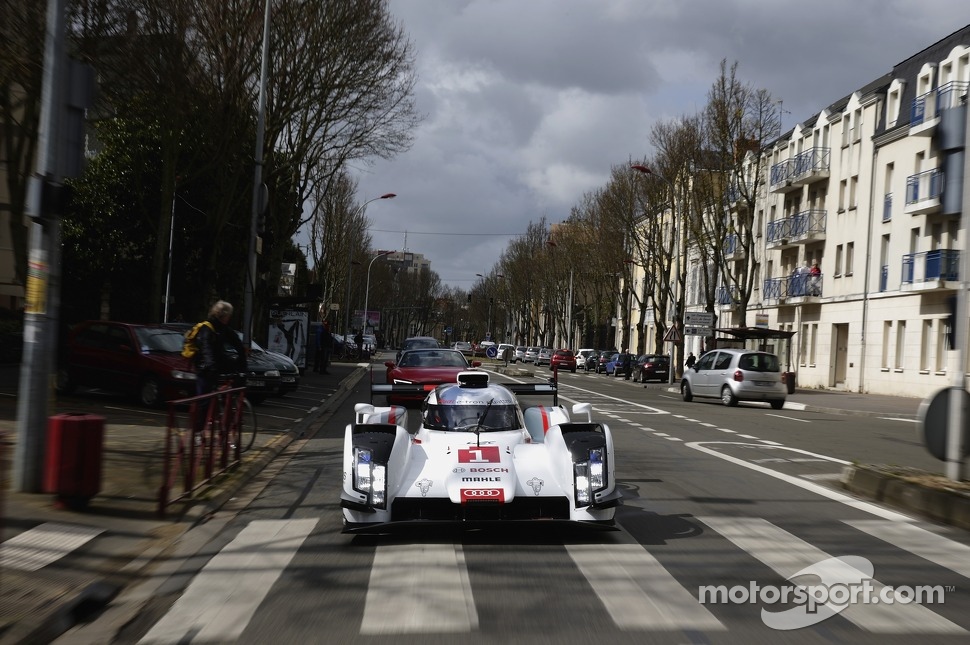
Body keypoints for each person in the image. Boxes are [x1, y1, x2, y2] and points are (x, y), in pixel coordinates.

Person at [193, 300, 247, 396]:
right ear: (222, 315)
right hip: (204, 365)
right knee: (205, 397)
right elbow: (206, 349)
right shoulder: (207, 328)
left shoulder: (224, 328)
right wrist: (211, 366)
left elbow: (237, 343)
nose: (229, 317)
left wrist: (242, 359)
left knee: (237, 374)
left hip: (217, 361)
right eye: (228, 315)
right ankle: (203, 408)